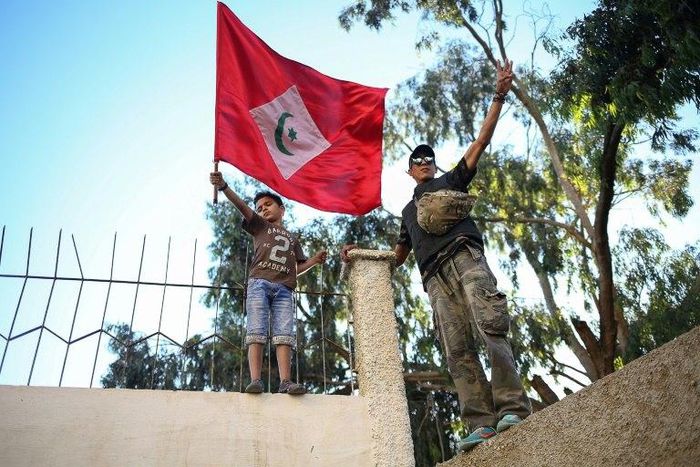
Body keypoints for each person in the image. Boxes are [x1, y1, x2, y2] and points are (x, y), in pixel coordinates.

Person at [342, 59, 530, 451]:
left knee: (490, 327)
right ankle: (481, 422)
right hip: (434, 280)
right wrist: (358, 257)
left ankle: (513, 407)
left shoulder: (451, 181)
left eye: (429, 159)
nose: (424, 163)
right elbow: (397, 259)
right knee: (457, 350)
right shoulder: (407, 214)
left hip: (466, 260)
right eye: (417, 161)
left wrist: (499, 95)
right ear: (409, 171)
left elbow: (480, 142)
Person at [210, 172, 327, 395]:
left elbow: (295, 269)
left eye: (268, 204)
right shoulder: (260, 226)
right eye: (260, 206)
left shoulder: (292, 238)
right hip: (259, 284)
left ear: (282, 209)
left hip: (284, 289)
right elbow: (242, 207)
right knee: (257, 330)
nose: (263, 208)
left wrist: (313, 260)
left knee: (284, 333)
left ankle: (285, 381)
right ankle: (255, 379)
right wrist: (224, 186)